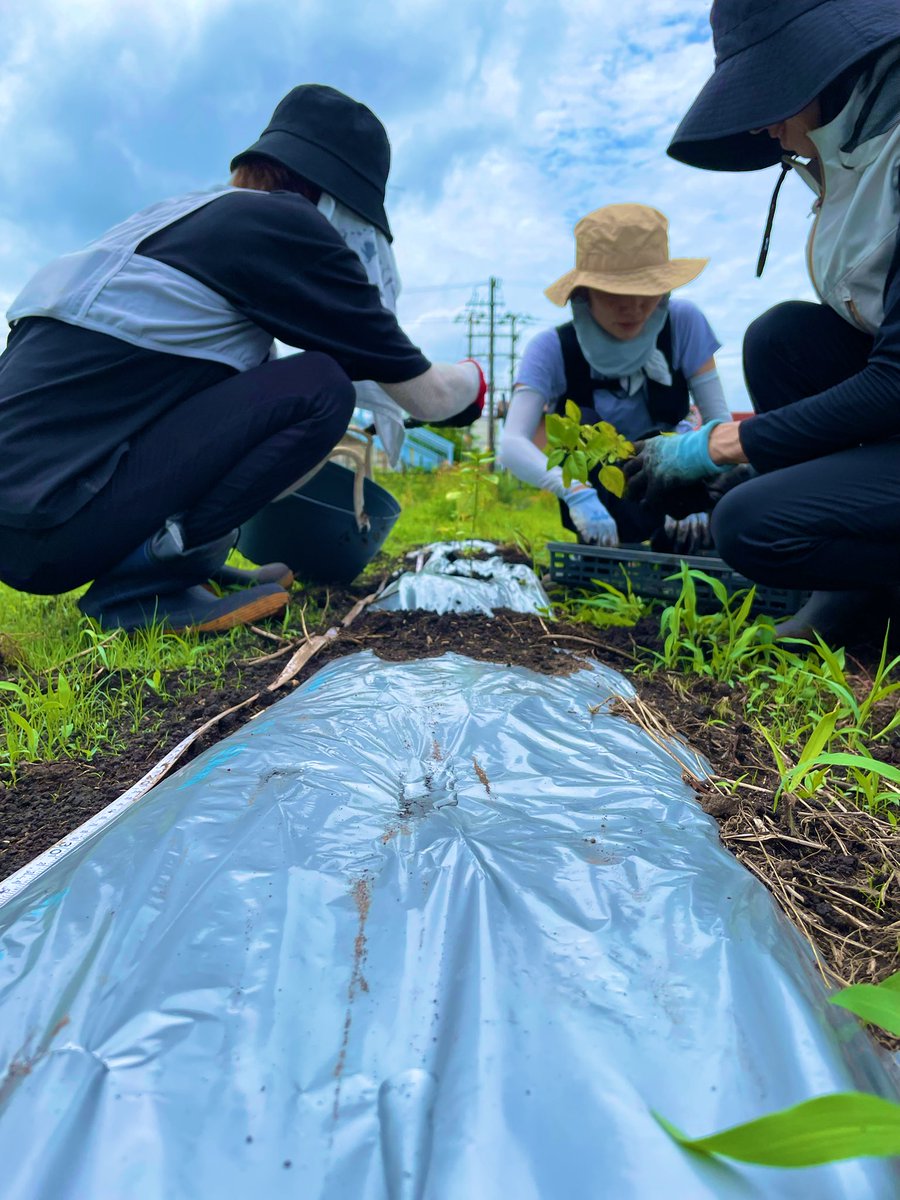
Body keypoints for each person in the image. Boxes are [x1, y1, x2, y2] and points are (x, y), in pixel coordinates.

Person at [0, 84, 485, 633]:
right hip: (54, 525)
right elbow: (428, 395)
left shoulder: (183, 219)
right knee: (322, 387)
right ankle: (147, 582)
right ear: (339, 203)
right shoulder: (290, 227)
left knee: (257, 377)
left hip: (24, 518)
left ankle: (181, 562)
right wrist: (476, 382)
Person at [627, 0, 900, 641]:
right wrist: (757, 459)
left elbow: (894, 382)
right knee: (782, 340)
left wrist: (716, 446)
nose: (760, 128)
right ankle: (853, 601)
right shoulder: (861, 149)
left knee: (752, 525)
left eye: (766, 94)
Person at [498, 204, 731, 554]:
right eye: (615, 292)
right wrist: (575, 492)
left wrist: (694, 481)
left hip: (676, 484)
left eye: (647, 290)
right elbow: (512, 443)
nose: (634, 306)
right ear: (583, 293)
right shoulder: (551, 349)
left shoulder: (685, 323)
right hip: (599, 500)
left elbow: (720, 424)